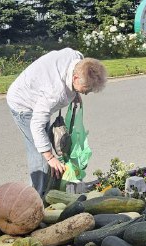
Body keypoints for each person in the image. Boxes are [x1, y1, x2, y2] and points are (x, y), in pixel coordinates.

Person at [7, 48, 108, 196]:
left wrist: (74, 94)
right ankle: (35, 199)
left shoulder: (76, 57)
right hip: (23, 104)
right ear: (74, 78)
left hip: (39, 96)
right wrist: (50, 157)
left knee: (46, 149)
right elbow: (37, 126)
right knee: (40, 157)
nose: (86, 93)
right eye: (86, 89)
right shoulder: (55, 93)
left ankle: (49, 192)